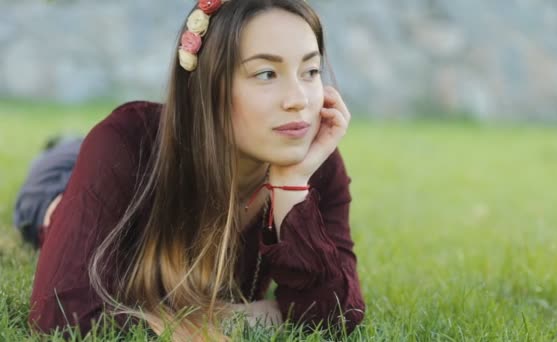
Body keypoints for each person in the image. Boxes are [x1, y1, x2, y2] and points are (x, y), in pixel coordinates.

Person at [26, 0, 365, 339]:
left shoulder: (314, 165)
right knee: (57, 170)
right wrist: (247, 318)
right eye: (266, 73)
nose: (300, 100)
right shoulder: (126, 143)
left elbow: (336, 316)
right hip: (65, 176)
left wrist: (291, 186)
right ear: (209, 84)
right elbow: (61, 316)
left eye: (310, 71)